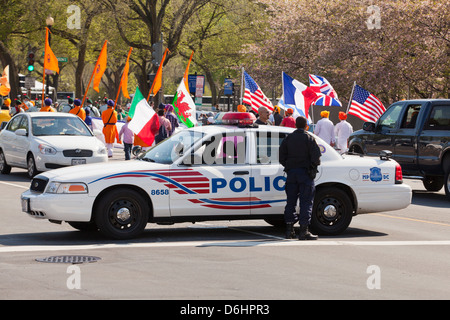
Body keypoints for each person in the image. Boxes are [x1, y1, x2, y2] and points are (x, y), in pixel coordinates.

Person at [279, 116, 321, 240]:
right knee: (306, 202)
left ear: (295, 125)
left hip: (292, 174)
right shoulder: (309, 139)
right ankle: (304, 231)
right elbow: (316, 158)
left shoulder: (289, 138)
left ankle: (289, 230)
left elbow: (281, 157)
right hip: (305, 174)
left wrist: (289, 166)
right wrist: (311, 167)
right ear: (306, 126)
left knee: (290, 202)